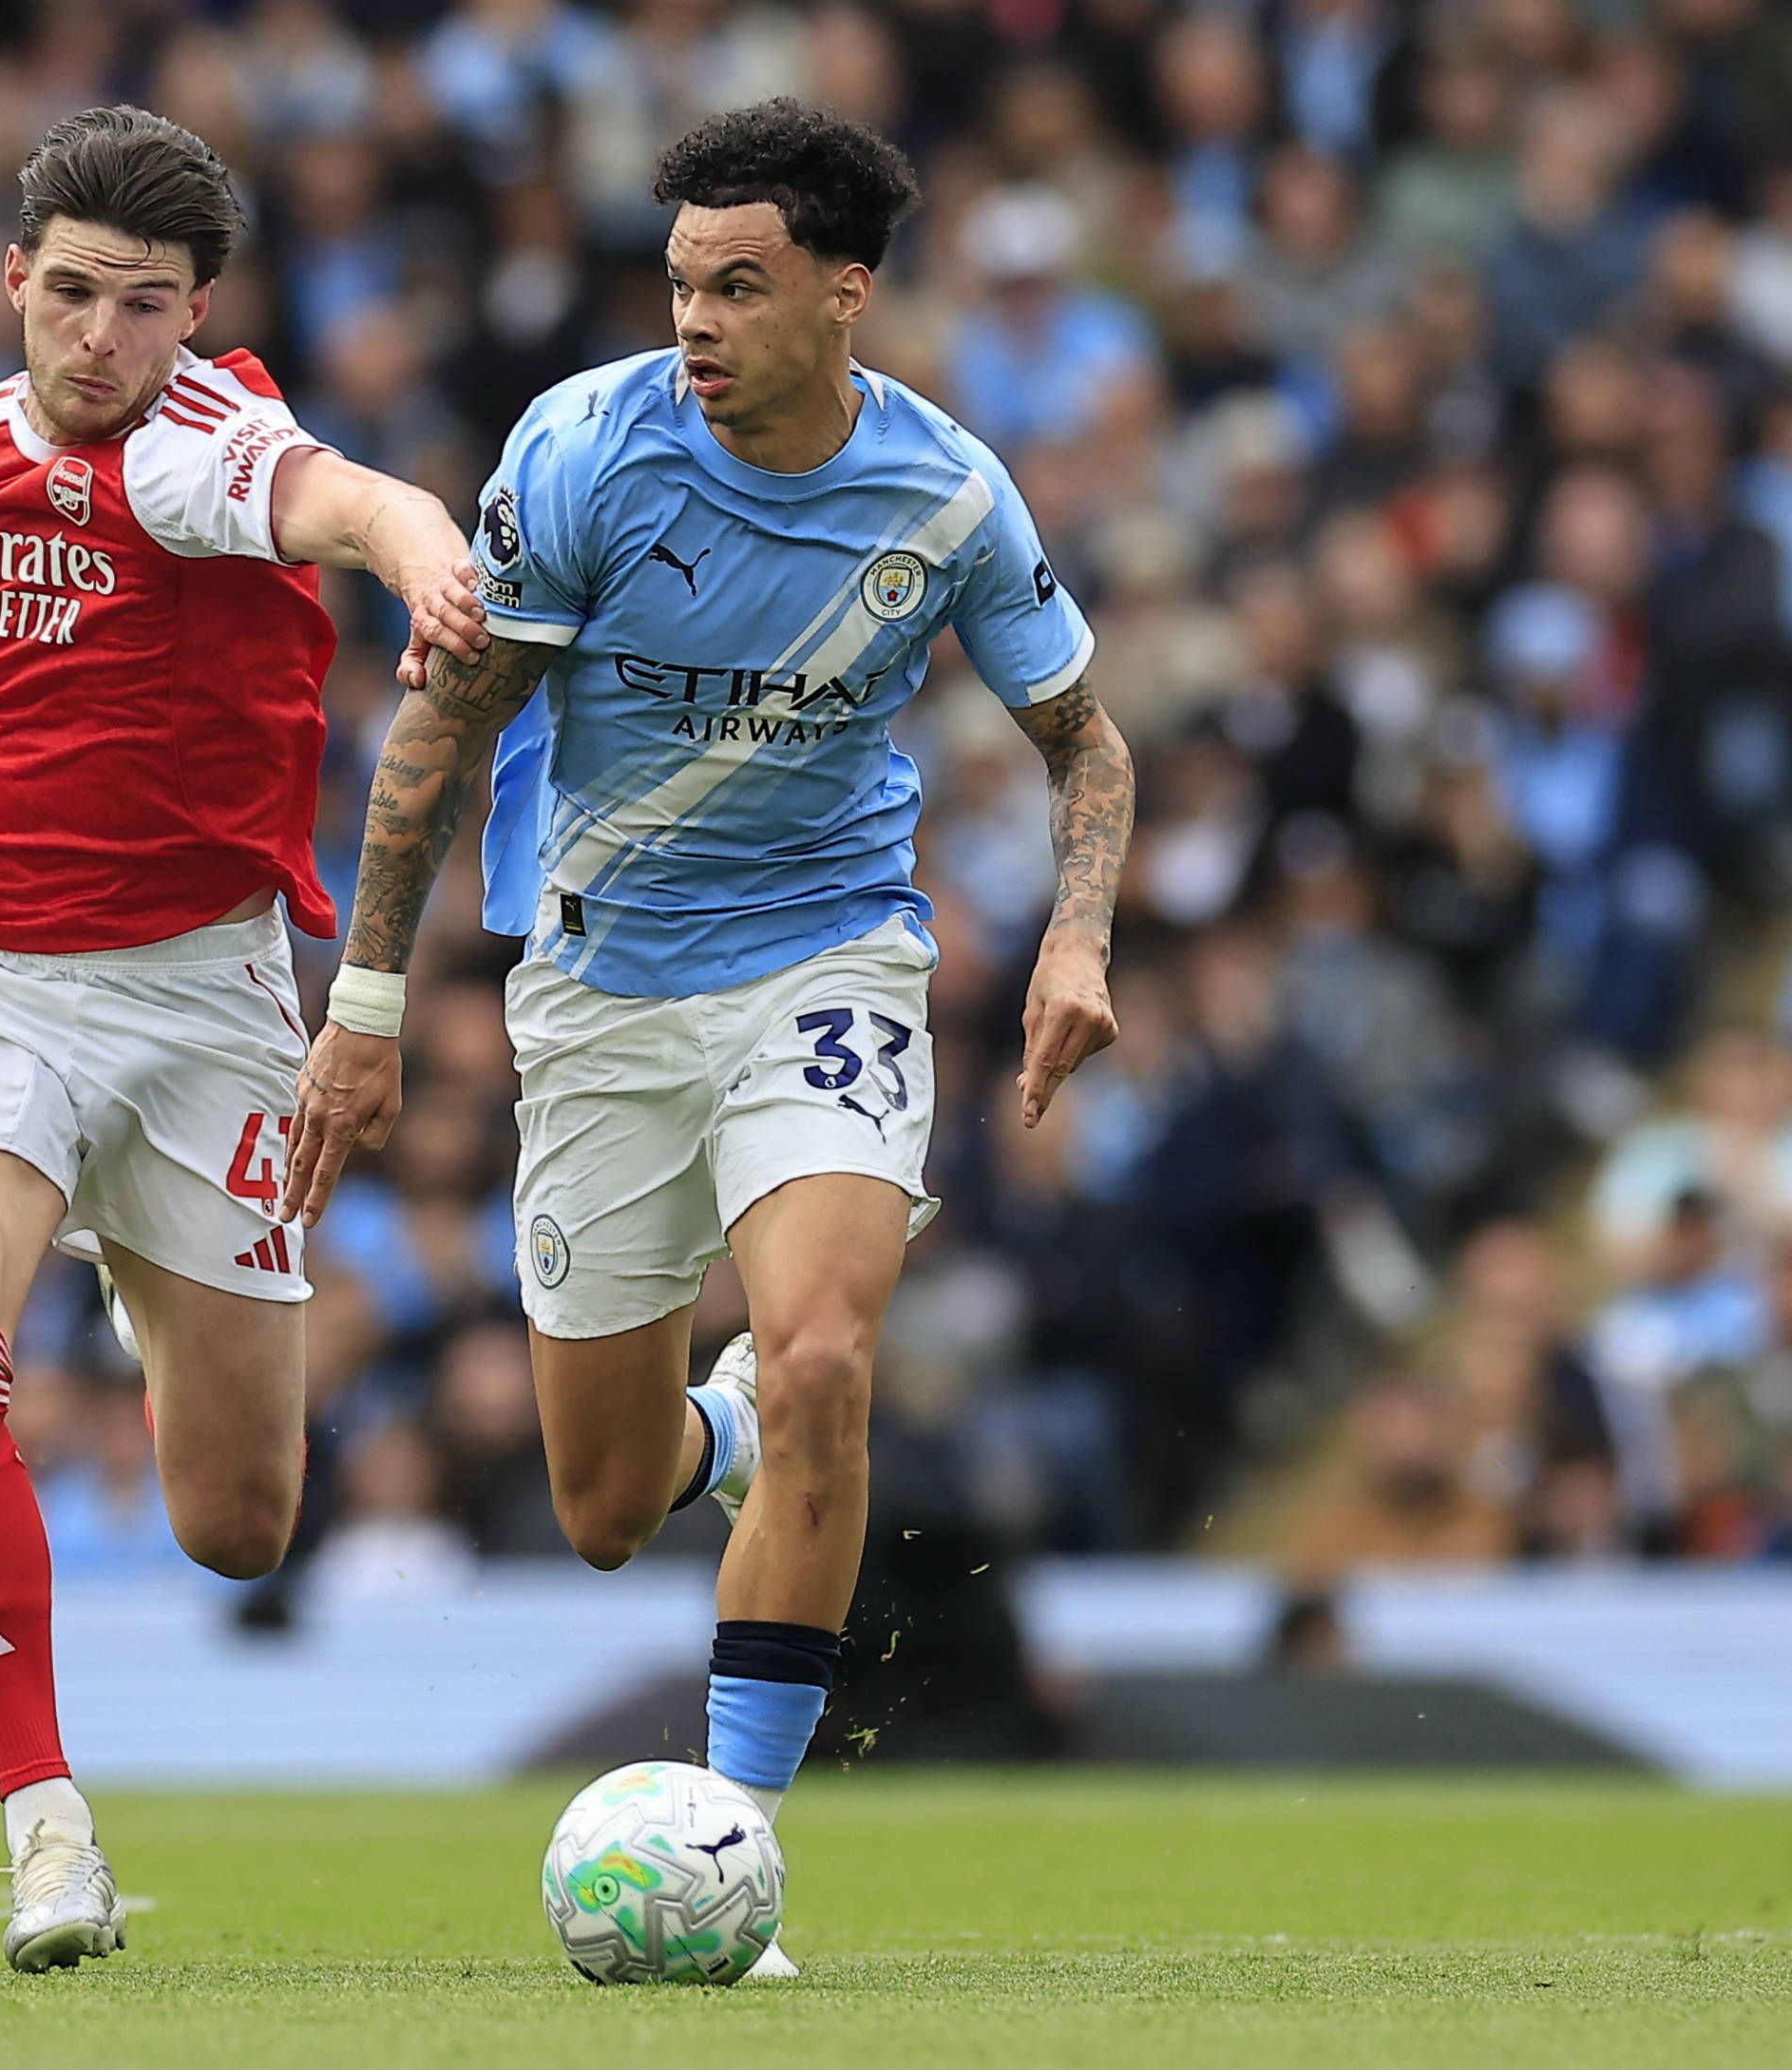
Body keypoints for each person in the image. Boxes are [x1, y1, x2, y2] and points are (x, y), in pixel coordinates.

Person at [284, 100, 1131, 1974]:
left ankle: (734, 1844)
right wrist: (363, 1005)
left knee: (826, 1355)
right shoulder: (583, 452)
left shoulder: (946, 498)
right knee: (597, 1505)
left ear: (846, 290)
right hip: (593, 993)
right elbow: (439, 728)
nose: (694, 321)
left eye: (736, 287)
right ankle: (724, 1428)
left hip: (826, 963)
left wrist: (1074, 935)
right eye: (677, 282)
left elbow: (1086, 746)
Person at [0, 105, 482, 1975]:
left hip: (200, 1003)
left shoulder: (204, 453)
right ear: (14, 278)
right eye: (78, 296)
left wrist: (428, 571)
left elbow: (355, 503)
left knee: (238, 1526)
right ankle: (45, 1830)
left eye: (151, 308)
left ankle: (126, 1239)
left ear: (198, 318)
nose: (104, 340)